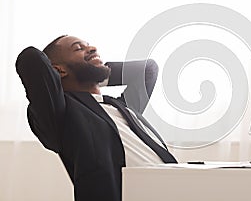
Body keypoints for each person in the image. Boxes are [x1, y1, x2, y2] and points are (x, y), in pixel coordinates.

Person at [15, 35, 177, 201]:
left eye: (89, 46)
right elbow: (31, 59)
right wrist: (89, 70)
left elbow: (148, 70)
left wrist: (99, 73)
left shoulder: (124, 107)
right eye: (79, 48)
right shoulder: (60, 113)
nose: (92, 49)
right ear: (58, 71)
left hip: (180, 188)